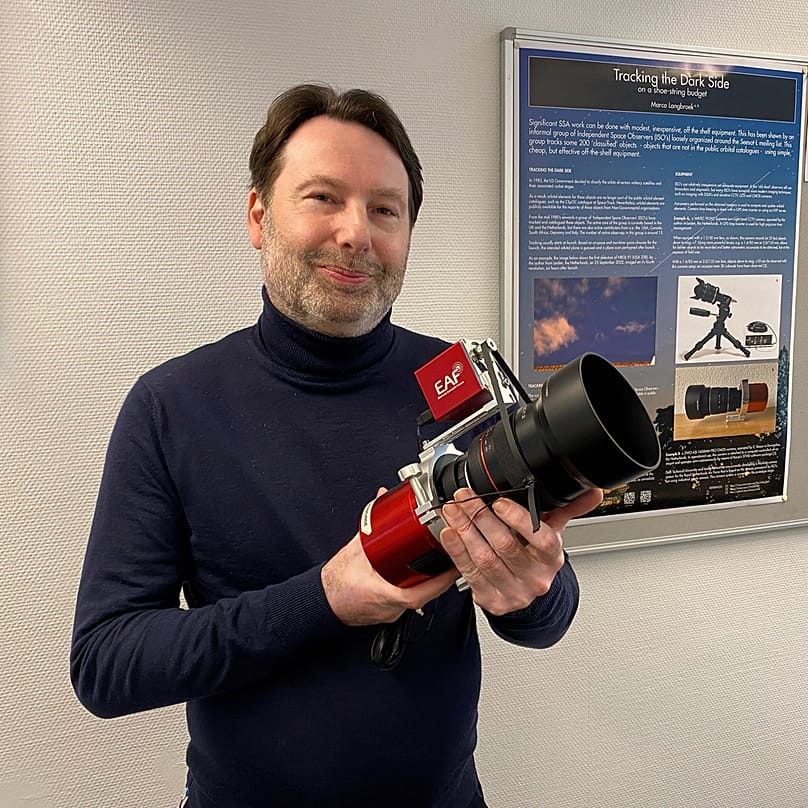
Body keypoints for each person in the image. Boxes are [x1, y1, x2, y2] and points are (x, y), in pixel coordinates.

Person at [71, 83, 602, 808]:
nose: (357, 233)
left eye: (385, 209)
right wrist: (324, 599)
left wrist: (533, 594)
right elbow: (107, 663)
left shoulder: (455, 385)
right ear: (259, 215)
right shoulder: (171, 407)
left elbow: (548, 616)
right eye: (323, 198)